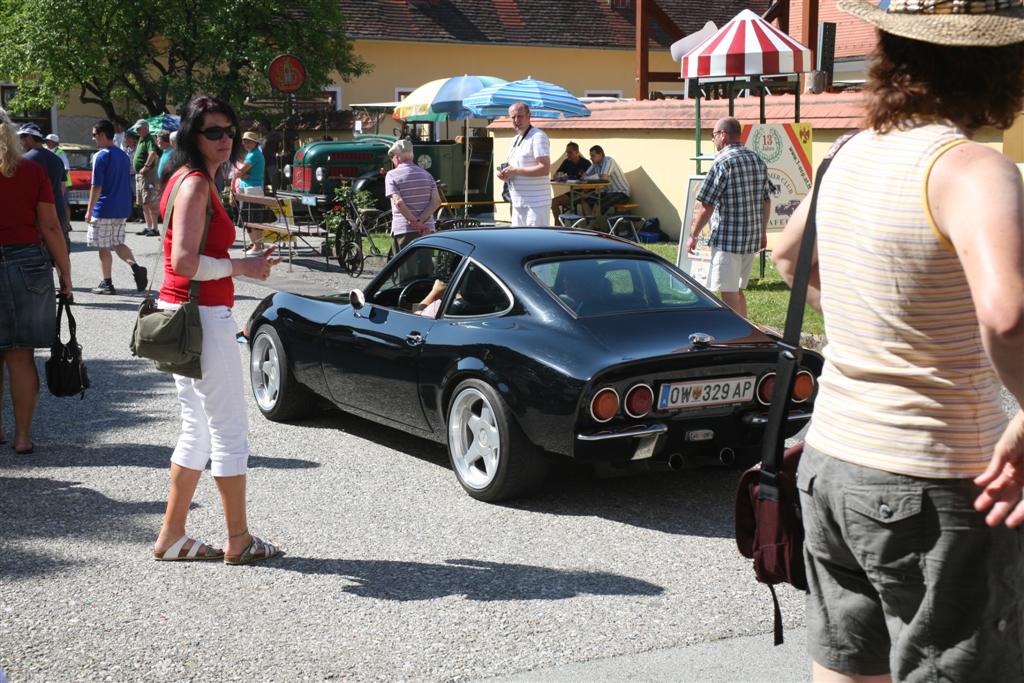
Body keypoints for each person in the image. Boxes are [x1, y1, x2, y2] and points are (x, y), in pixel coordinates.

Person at [772, 2, 1024, 681]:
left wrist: (871, 327)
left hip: (832, 460)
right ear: (999, 66)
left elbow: (790, 262)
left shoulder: (848, 153)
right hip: (936, 476)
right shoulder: (973, 168)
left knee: (848, 666)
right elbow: (1007, 317)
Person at [152, 95, 282, 565]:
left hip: (186, 318)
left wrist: (240, 264)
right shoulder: (194, 186)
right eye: (213, 131)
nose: (224, 139)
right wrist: (243, 265)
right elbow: (184, 263)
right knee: (228, 433)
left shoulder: (187, 179)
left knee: (197, 430)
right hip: (202, 317)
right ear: (193, 135)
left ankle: (172, 536)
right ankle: (239, 539)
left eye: (229, 130)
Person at [0, 107, 73, 454]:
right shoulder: (31, 170)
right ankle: (23, 437)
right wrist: (66, 274)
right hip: (28, 261)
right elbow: (50, 226)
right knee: (21, 355)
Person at [686, 117, 771, 319]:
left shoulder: (722, 162)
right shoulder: (757, 159)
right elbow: (766, 201)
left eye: (714, 135)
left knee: (728, 292)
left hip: (728, 240)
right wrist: (762, 232)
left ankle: (737, 337)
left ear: (723, 135)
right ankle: (747, 333)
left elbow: (707, 205)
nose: (713, 140)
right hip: (750, 237)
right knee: (739, 291)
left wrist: (693, 234)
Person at [85, 119, 147, 296]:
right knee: (117, 242)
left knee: (103, 247)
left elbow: (96, 186)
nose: (93, 138)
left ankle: (107, 283)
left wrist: (89, 210)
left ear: (103, 135)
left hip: (104, 208)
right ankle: (136, 268)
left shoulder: (100, 156)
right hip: (121, 207)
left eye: (95, 135)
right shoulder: (123, 155)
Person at [497, 102, 550, 227]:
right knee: (520, 244)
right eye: (513, 117)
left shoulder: (538, 136)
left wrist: (516, 171)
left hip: (536, 204)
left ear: (529, 116)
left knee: (536, 244)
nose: (516, 120)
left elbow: (544, 168)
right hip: (517, 203)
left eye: (519, 116)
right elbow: (514, 168)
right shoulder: (515, 140)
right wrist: (505, 175)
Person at [385, 138, 441, 254]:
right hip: (427, 230)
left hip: (404, 229)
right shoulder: (427, 175)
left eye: (392, 157)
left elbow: (398, 202)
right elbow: (436, 202)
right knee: (425, 268)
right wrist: (420, 221)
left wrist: (414, 222)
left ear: (397, 157)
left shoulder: (392, 175)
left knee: (405, 269)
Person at [17, 124, 70, 245]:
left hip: (37, 218)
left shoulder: (24, 160)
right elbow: (62, 186)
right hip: (58, 212)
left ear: (29, 137)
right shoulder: (56, 159)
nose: (20, 142)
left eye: (21, 138)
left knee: (37, 259)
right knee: (59, 256)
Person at [236, 131, 267, 255]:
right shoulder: (254, 154)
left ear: (255, 143)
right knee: (252, 219)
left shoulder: (252, 155)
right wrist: (243, 174)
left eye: (248, 141)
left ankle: (257, 246)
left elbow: (239, 172)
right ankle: (257, 244)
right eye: (244, 141)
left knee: (250, 220)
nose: (245, 143)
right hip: (252, 188)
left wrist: (242, 174)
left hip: (251, 189)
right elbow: (241, 173)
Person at [581, 145, 630, 216]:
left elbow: (603, 179)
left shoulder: (608, 160)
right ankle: (592, 224)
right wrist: (595, 177)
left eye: (593, 156)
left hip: (621, 192)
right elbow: (583, 177)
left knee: (598, 202)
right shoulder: (595, 164)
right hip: (608, 192)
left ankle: (589, 226)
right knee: (585, 199)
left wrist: (593, 178)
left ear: (600, 154)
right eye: (590, 156)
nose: (591, 158)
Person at [132, 118, 161, 236]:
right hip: (140, 175)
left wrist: (146, 166)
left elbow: (153, 153)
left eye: (139, 128)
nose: (137, 131)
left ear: (145, 128)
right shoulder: (141, 139)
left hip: (147, 175)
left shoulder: (149, 139)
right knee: (143, 202)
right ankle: (148, 226)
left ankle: (155, 228)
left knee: (149, 201)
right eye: (137, 129)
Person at [550, 141, 591, 221]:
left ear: (577, 152)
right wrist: (561, 176)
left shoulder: (586, 163)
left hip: (586, 193)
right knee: (553, 202)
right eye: (567, 152)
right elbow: (555, 176)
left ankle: (587, 227)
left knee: (584, 202)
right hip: (573, 192)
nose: (568, 155)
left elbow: (592, 180)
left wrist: (585, 192)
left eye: (570, 152)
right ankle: (558, 225)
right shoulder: (566, 162)